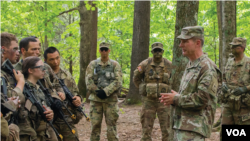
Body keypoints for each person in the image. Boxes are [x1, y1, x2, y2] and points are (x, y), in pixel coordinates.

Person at [160, 26, 221, 141]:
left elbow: (201, 100)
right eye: (180, 41)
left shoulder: (207, 67)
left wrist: (176, 99)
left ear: (197, 43)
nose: (180, 45)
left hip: (194, 129)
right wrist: (174, 97)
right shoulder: (192, 65)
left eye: (185, 41)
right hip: (183, 125)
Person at [15, 37, 63, 141]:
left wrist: (52, 106)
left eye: (38, 49)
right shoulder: (17, 76)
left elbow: (54, 87)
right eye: (34, 49)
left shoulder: (38, 87)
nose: (38, 52)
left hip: (45, 127)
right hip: (29, 130)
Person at [133, 42, 172, 141]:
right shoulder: (145, 64)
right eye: (155, 50)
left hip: (164, 100)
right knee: (146, 128)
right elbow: (136, 77)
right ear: (152, 52)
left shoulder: (169, 64)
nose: (157, 52)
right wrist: (143, 88)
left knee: (167, 128)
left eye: (159, 50)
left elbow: (175, 80)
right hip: (148, 101)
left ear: (162, 51)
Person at [44, 47, 83, 141]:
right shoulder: (42, 75)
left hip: (67, 119)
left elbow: (76, 92)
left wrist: (78, 98)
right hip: (50, 121)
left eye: (57, 58)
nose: (56, 62)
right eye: (52, 59)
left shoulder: (66, 75)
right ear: (45, 60)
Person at [86, 42, 122, 141]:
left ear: (109, 51)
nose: (104, 51)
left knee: (112, 127)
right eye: (102, 49)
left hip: (110, 101)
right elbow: (88, 80)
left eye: (106, 49)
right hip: (96, 100)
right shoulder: (93, 64)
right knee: (95, 127)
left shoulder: (115, 65)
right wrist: (97, 91)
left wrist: (106, 91)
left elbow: (118, 81)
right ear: (99, 51)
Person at [220, 37, 250, 139]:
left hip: (243, 105)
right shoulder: (229, 62)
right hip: (228, 103)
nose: (232, 48)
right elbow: (224, 78)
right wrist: (223, 84)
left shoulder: (248, 63)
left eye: (234, 46)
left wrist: (245, 88)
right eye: (232, 46)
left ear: (241, 48)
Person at [20, 56, 55, 141]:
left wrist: (50, 113)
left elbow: (45, 106)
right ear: (30, 70)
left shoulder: (38, 88)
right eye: (41, 67)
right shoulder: (24, 89)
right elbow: (23, 118)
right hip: (31, 135)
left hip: (44, 133)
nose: (44, 70)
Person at [0, 38, 22, 141]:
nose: (18, 53)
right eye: (15, 49)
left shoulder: (10, 71)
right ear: (3, 50)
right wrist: (20, 85)